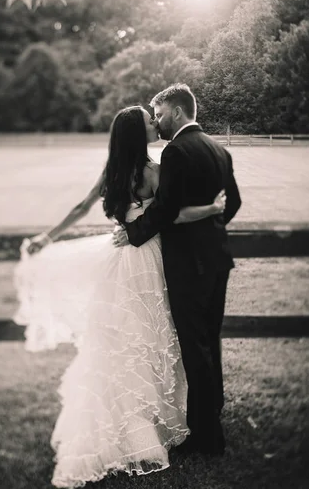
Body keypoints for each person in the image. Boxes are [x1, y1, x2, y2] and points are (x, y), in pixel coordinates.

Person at [13, 105, 227, 488]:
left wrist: (49, 236)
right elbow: (173, 216)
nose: (155, 123)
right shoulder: (153, 171)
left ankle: (129, 425)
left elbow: (81, 207)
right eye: (149, 121)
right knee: (154, 339)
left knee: (122, 342)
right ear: (137, 132)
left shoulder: (112, 170)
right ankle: (153, 426)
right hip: (150, 259)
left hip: (120, 259)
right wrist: (212, 208)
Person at [113, 85, 242, 457]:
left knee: (195, 347)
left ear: (179, 111)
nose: (158, 120)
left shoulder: (176, 151)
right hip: (217, 259)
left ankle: (206, 437)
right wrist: (211, 229)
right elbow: (232, 203)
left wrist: (133, 232)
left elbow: (166, 209)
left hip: (189, 264)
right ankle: (211, 419)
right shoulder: (219, 149)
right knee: (210, 342)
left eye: (161, 112)